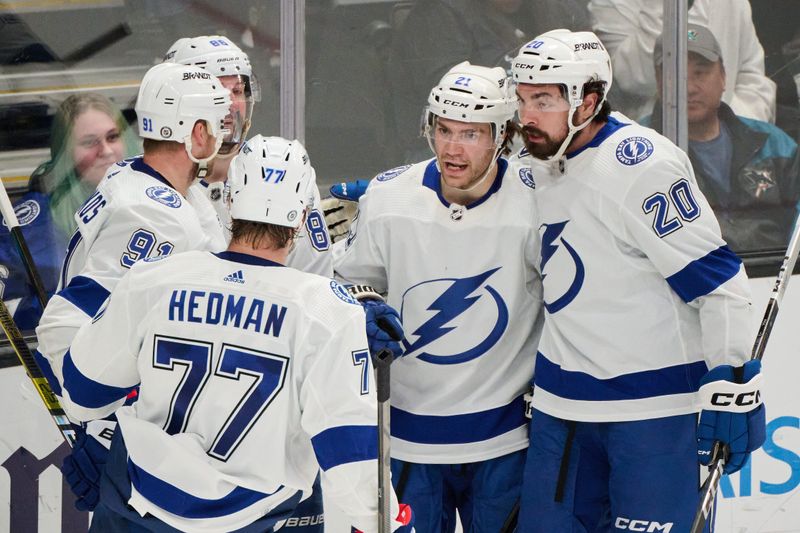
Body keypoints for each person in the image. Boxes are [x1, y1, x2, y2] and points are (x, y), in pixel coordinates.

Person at [57, 135, 413, 533]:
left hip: (136, 510)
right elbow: (352, 459)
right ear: (301, 217)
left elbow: (82, 391)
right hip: (253, 519)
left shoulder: (154, 278)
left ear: (227, 201)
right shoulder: (327, 311)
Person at [511, 29, 765, 531]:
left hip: (652, 415)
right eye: (521, 100)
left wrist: (732, 384)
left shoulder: (641, 166)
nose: (526, 118)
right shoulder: (535, 161)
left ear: (587, 101)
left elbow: (720, 284)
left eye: (542, 100)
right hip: (562, 411)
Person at [334, 61, 542, 532]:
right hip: (407, 439)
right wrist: (363, 305)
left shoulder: (536, 201)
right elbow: (346, 285)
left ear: (502, 136)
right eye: (443, 129)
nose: (451, 148)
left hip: (504, 440)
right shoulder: (390, 198)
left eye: (470, 134)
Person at [34, 61, 231, 511]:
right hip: (140, 447)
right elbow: (67, 323)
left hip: (166, 443)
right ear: (196, 133)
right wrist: (103, 431)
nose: (225, 133)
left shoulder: (150, 181)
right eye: (218, 122)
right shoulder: (155, 217)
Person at [164, 35, 333, 277]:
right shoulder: (154, 180)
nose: (231, 103)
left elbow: (315, 281)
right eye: (216, 91)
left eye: (238, 90)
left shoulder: (285, 170)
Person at [647, 24, 800, 253]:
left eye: (700, 72)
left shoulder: (773, 144)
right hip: (689, 283)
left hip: (778, 279)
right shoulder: (639, 149)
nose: (689, 88)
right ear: (659, 82)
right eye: (676, 75)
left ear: (723, 77)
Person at [0, 93, 139, 330]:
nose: (106, 151)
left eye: (113, 137)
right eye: (89, 142)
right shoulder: (30, 230)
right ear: (65, 153)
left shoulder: (163, 202)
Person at [389, 0, 591, 162]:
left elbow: (599, 83)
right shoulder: (438, 16)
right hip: (456, 149)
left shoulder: (559, 9)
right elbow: (458, 107)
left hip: (551, 136)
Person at [588, 0, 776, 123]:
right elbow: (637, 79)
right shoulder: (611, 3)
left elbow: (753, 78)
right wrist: (664, 6)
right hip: (652, 151)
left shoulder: (733, 3)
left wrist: (730, 130)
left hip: (728, 153)